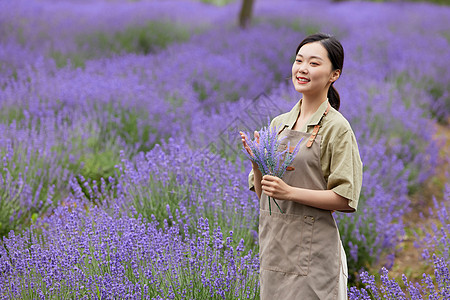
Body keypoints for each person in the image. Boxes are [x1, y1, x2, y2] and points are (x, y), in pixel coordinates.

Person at [240, 33, 363, 299]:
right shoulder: (278, 124)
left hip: (314, 254)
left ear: (334, 74)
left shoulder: (336, 128)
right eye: (299, 61)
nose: (303, 69)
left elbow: (345, 199)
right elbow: (266, 198)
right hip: (274, 247)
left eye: (314, 63)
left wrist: (290, 192)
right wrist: (257, 162)